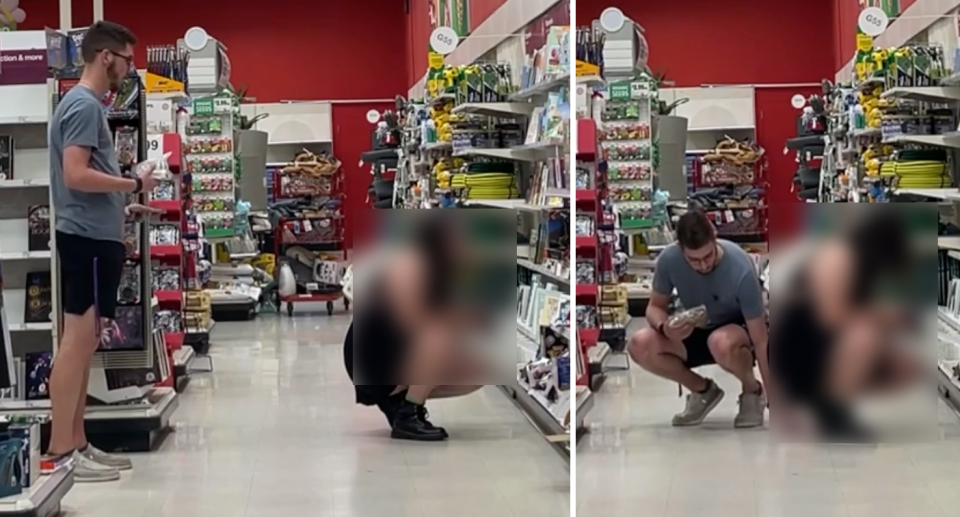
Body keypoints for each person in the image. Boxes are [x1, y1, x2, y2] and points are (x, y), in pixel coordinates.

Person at [45, 20, 159, 481]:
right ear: (106, 56)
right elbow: (75, 174)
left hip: (95, 234)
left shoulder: (84, 105)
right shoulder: (84, 106)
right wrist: (133, 181)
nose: (130, 71)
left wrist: (121, 202)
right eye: (128, 60)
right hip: (86, 240)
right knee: (76, 344)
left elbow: (84, 178)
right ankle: (61, 449)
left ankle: (77, 442)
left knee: (86, 339)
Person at [768, 209, 921, 442]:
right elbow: (831, 316)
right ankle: (830, 410)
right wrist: (884, 316)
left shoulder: (864, 265)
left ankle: (834, 400)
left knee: (904, 367)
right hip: (796, 353)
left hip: (822, 345)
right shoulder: (839, 257)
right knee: (865, 336)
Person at [343, 216, 484, 441]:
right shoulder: (409, 263)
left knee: (477, 371)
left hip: (395, 351)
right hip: (372, 361)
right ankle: (409, 414)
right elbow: (412, 319)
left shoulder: (441, 269)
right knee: (440, 334)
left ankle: (399, 403)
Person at [628, 210, 767, 428]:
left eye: (708, 256)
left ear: (714, 238)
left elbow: (761, 340)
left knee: (720, 341)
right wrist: (665, 327)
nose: (703, 265)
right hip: (695, 327)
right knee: (639, 344)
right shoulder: (669, 260)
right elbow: (655, 307)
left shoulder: (741, 267)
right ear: (680, 249)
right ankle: (702, 390)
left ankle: (752, 392)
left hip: (735, 333)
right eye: (693, 260)